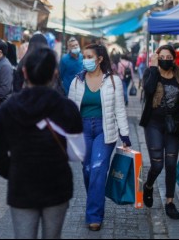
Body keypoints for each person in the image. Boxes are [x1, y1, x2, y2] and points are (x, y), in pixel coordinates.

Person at [0, 46, 82, 239]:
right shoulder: (67, 108)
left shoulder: (9, 107)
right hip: (57, 184)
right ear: (55, 73)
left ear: (24, 72)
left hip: (21, 185)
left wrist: (13, 171)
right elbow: (78, 154)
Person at [68, 44, 131, 231]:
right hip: (83, 129)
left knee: (97, 168)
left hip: (105, 129)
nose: (85, 60)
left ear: (100, 59)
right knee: (87, 170)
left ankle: (94, 216)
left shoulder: (113, 81)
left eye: (89, 56)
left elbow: (120, 109)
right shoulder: (76, 81)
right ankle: (94, 200)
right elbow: (70, 110)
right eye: (84, 56)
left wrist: (125, 134)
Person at [139, 44, 179, 220]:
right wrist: (156, 70)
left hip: (173, 126)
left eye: (168, 57)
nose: (165, 60)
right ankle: (148, 186)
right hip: (153, 125)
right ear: (158, 58)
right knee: (157, 165)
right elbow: (148, 91)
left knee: (171, 164)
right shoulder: (151, 73)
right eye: (162, 57)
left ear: (174, 58)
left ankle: (169, 202)